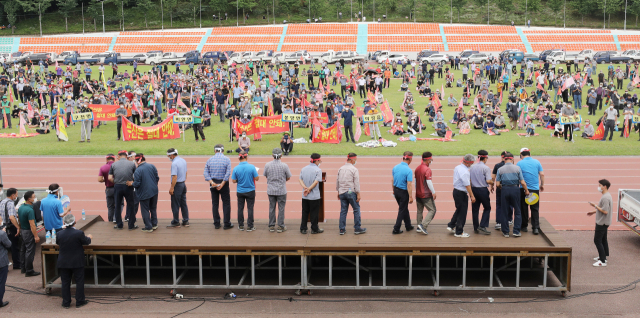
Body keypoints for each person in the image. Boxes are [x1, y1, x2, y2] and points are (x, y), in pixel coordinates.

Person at [56, 214, 91, 309]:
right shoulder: (79, 233)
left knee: (65, 282)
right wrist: (89, 237)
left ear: (64, 223)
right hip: (77, 261)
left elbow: (57, 242)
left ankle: (66, 302)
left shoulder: (59, 233)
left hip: (63, 262)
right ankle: (80, 301)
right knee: (79, 281)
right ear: (74, 222)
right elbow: (86, 242)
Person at [495, 152, 529, 237]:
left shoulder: (500, 169)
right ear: (512, 159)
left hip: (505, 189)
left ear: (504, 159)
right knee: (517, 210)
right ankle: (516, 231)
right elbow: (522, 182)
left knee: (504, 211)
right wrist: (526, 190)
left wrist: (502, 187)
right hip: (515, 189)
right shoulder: (517, 168)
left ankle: (506, 231)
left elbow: (497, 184)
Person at [204, 144, 233, 230]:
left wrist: (212, 183)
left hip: (213, 183)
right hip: (223, 183)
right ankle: (226, 223)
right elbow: (228, 174)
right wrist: (222, 184)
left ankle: (217, 223)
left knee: (215, 203)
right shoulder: (227, 159)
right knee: (226, 203)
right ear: (223, 150)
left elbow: (205, 173)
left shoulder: (209, 160)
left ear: (215, 150)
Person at [447, 154, 476, 238]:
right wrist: (472, 196)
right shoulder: (465, 172)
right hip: (461, 193)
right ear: (467, 163)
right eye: (471, 163)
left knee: (459, 209)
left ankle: (451, 225)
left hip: (456, 191)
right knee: (462, 213)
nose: (471, 165)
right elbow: (467, 185)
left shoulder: (458, 167)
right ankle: (459, 232)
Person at [336, 153, 366, 235]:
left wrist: (338, 191)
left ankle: (342, 229)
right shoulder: (354, 169)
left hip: (342, 191)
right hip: (350, 191)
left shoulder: (340, 169)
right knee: (356, 209)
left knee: (343, 211)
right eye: (355, 160)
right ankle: (357, 228)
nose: (356, 161)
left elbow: (337, 181)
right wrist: (358, 193)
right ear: (352, 160)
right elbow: (356, 183)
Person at [263, 148, 292, 233]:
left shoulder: (267, 165)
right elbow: (288, 177)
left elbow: (266, 175)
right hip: (281, 190)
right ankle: (280, 226)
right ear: (281, 155)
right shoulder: (284, 165)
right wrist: (282, 181)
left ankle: (271, 225)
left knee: (272, 207)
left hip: (271, 190)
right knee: (281, 208)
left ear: (272, 155)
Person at [517, 148, 544, 234]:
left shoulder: (520, 163)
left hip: (523, 188)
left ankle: (524, 226)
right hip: (535, 189)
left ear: (521, 155)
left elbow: (517, 175)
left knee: (523, 208)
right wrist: (542, 184)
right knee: (535, 208)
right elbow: (542, 174)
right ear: (530, 154)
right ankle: (535, 227)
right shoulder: (537, 162)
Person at [108, 150, 137, 230]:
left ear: (119, 156)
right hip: (128, 186)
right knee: (130, 205)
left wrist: (116, 182)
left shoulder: (114, 164)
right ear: (126, 156)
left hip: (118, 186)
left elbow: (110, 178)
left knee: (117, 205)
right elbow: (136, 176)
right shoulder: (132, 164)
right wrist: (132, 182)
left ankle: (119, 224)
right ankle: (131, 225)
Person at [231, 151, 259, 231]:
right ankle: (250, 226)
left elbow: (233, 181)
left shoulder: (236, 168)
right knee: (250, 208)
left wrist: (239, 180)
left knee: (240, 208)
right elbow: (257, 178)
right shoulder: (252, 167)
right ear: (247, 157)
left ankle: (241, 225)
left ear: (239, 158)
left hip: (240, 191)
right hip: (250, 190)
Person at [131, 154, 159, 233]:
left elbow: (137, 183)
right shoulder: (152, 166)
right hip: (154, 191)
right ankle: (154, 224)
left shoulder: (138, 170)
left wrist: (131, 184)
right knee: (153, 208)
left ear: (137, 161)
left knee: (145, 210)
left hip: (144, 193)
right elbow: (157, 178)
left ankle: (148, 226)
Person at [588, 179, 612, 267]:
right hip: (605, 222)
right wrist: (593, 211)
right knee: (603, 239)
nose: (599, 187)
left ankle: (602, 261)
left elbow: (605, 211)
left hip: (602, 222)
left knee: (597, 240)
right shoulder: (607, 195)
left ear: (604, 186)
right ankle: (604, 256)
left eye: (600, 185)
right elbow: (603, 208)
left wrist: (595, 206)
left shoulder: (605, 197)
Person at [470, 150, 494, 235]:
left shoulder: (472, 167)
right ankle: (483, 225)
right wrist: (493, 182)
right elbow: (488, 180)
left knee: (475, 209)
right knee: (487, 208)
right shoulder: (486, 168)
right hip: (483, 190)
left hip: (474, 189)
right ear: (485, 158)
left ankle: (476, 227)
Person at [299, 153, 324, 234]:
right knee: (314, 212)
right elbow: (316, 182)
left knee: (305, 211)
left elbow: (300, 180)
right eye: (319, 161)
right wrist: (309, 188)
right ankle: (314, 228)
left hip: (305, 195)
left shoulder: (304, 168)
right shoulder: (318, 170)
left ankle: (303, 228)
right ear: (316, 161)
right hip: (314, 196)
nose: (320, 162)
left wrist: (305, 188)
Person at [391, 152, 414, 234]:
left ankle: (408, 225)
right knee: (402, 210)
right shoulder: (408, 170)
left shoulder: (395, 167)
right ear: (410, 159)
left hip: (396, 191)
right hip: (403, 192)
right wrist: (410, 196)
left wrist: (393, 190)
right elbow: (409, 184)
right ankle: (396, 228)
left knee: (404, 208)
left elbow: (392, 180)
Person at [17, 191, 39, 277]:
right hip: (28, 232)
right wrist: (36, 236)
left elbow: (19, 220)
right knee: (30, 251)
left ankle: (23, 268)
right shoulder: (30, 210)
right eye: (34, 197)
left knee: (23, 250)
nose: (35, 198)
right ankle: (29, 270)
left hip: (23, 230)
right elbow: (32, 224)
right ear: (29, 199)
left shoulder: (21, 207)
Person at [414, 152, 437, 235]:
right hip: (426, 194)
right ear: (427, 160)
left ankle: (418, 226)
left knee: (419, 210)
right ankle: (423, 225)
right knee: (432, 210)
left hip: (418, 193)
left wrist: (417, 190)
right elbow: (429, 182)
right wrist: (433, 192)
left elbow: (416, 182)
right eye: (431, 160)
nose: (431, 161)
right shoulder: (427, 169)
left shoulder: (417, 168)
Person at [167, 148, 189, 228]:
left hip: (177, 185)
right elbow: (186, 172)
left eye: (169, 156)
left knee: (175, 204)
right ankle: (186, 220)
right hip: (183, 184)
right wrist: (183, 181)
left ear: (172, 155)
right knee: (183, 203)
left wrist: (172, 188)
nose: (168, 157)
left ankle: (176, 221)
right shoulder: (183, 160)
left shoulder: (174, 164)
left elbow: (174, 176)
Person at [0, 188, 20, 270]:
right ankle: (17, 264)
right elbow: (11, 217)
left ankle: (6, 263)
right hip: (11, 227)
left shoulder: (2, 202)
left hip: (4, 225)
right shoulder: (10, 203)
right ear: (13, 195)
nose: (17, 196)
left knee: (5, 246)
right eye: (16, 194)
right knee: (14, 246)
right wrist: (18, 227)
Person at [491, 152, 511, 230]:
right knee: (510, 204)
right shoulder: (513, 166)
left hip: (500, 188)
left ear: (501, 157)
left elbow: (493, 177)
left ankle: (499, 222)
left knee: (499, 205)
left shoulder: (497, 165)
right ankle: (509, 220)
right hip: (510, 187)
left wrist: (492, 186)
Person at [98, 154, 116, 222]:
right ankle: (116, 218)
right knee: (119, 204)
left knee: (110, 206)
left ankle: (110, 220)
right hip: (117, 188)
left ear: (106, 159)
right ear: (114, 159)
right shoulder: (117, 166)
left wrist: (106, 179)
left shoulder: (103, 167)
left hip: (109, 189)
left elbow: (99, 179)